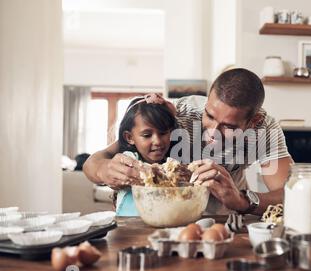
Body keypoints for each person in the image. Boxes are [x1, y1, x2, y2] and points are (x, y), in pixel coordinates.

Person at [83, 68, 293, 216]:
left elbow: (289, 195)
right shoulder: (178, 113)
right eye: (209, 116)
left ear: (253, 122)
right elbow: (93, 163)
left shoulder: (265, 131)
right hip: (173, 218)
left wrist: (242, 200)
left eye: (228, 127)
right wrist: (105, 171)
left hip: (226, 219)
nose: (213, 133)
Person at [112, 96, 177, 216]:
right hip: (128, 227)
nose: (157, 141)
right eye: (147, 135)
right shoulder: (128, 160)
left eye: (163, 133)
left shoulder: (172, 164)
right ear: (130, 137)